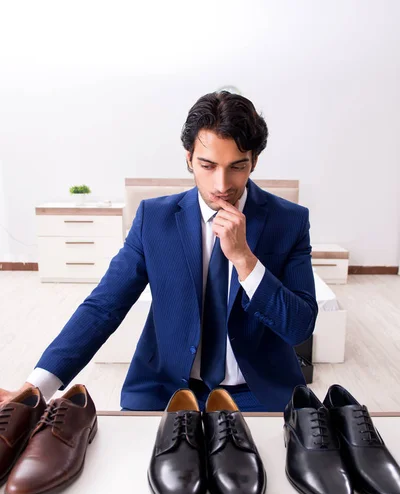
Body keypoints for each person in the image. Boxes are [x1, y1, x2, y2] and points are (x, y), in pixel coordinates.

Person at [0, 91, 318, 411]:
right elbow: (103, 307)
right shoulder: (154, 219)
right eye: (207, 165)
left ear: (254, 161)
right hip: (167, 389)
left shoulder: (288, 221)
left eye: (237, 166)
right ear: (188, 158)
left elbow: (299, 327)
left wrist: (244, 259)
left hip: (257, 392)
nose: (221, 184)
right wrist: (34, 389)